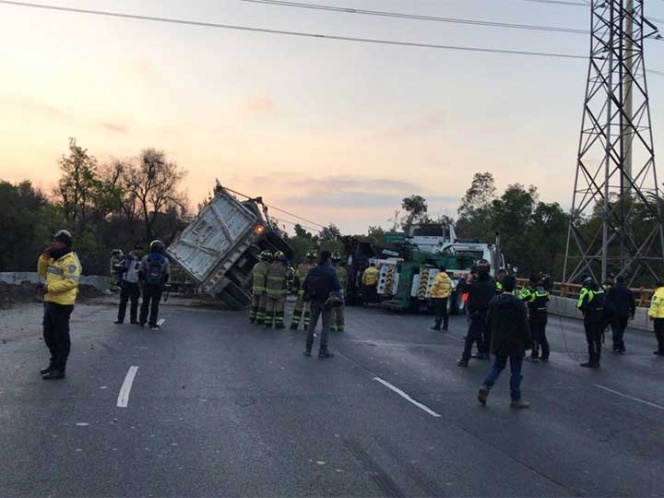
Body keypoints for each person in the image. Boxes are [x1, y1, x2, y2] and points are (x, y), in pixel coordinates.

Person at [477, 275, 531, 409]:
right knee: (516, 370)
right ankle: (515, 398)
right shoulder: (517, 303)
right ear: (514, 286)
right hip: (516, 340)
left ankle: (486, 385)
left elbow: (488, 322)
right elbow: (524, 325)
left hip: (499, 339)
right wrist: (528, 342)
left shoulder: (494, 301)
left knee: (497, 366)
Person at [37, 229, 82, 380]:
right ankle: (53, 362)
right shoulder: (53, 258)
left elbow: (71, 282)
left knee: (60, 336)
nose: (53, 244)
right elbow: (41, 272)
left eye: (56, 241)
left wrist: (49, 288)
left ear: (64, 244)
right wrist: (44, 257)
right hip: (50, 300)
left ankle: (60, 368)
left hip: (62, 303)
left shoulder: (70, 261)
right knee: (48, 334)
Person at [302, 250, 340, 359]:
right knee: (325, 326)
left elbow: (304, 285)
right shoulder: (331, 271)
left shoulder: (313, 270)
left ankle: (308, 349)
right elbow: (337, 286)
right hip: (327, 302)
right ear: (328, 258)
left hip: (314, 300)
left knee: (311, 325)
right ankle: (323, 351)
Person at [458, 260, 496, 366]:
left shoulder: (475, 285)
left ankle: (465, 359)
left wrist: (463, 278)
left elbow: (464, 288)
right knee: (487, 334)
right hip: (489, 313)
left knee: (470, 337)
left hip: (477, 313)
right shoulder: (492, 283)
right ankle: (484, 352)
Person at [138, 239, 170, 330]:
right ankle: (152, 322)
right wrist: (163, 283)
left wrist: (141, 281)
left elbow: (140, 271)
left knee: (145, 303)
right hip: (158, 285)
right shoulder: (165, 260)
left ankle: (142, 320)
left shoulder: (146, 258)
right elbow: (167, 273)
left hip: (147, 284)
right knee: (155, 304)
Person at [519, 273, 550, 362]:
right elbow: (547, 298)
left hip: (534, 314)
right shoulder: (544, 290)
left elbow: (520, 298)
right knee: (542, 334)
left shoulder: (531, 290)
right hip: (544, 313)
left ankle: (535, 354)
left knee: (534, 335)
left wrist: (524, 288)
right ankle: (545, 354)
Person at [577, 277, 605, 368]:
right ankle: (597, 359)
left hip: (590, 317)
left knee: (591, 339)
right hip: (601, 316)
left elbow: (580, 305)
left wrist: (586, 310)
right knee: (597, 339)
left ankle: (592, 360)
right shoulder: (600, 288)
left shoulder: (586, 290)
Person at [605, 275, 636, 353]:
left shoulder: (612, 290)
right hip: (625, 313)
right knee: (621, 330)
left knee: (616, 330)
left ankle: (618, 345)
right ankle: (618, 345)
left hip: (614, 313)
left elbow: (607, 301)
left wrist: (607, 312)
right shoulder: (628, 291)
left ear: (616, 281)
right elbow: (632, 303)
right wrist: (632, 313)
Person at [115, 244, 143, 325]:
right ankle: (120, 319)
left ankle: (133, 319)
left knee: (134, 302)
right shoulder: (126, 258)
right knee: (123, 302)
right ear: (133, 250)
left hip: (135, 283)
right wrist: (122, 268)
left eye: (140, 250)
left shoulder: (141, 259)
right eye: (137, 250)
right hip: (126, 281)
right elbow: (117, 266)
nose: (138, 251)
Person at [290, 250, 316, 330]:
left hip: (301, 292)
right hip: (311, 293)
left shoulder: (300, 267)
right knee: (309, 309)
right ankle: (307, 326)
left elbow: (296, 279)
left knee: (298, 308)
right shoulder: (316, 267)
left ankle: (294, 324)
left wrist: (294, 290)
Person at [264, 251, 288, 329]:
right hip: (279, 293)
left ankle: (268, 323)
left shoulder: (269, 266)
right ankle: (278, 324)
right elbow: (288, 276)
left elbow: (265, 276)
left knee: (269, 308)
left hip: (269, 292)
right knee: (279, 309)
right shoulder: (284, 268)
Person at [249, 250, 271, 324]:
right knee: (262, 305)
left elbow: (252, 277)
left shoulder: (256, 265)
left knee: (254, 303)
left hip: (255, 288)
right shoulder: (267, 267)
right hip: (263, 289)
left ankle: (252, 317)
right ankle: (260, 319)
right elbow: (268, 278)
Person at [429, 267, 453, 331]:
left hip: (438, 296)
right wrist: (448, 294)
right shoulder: (448, 278)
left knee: (438, 312)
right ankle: (445, 326)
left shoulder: (438, 277)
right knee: (445, 312)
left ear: (439, 270)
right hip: (445, 297)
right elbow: (450, 287)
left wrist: (431, 293)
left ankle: (437, 326)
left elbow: (435, 286)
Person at [331, 251, 348, 332]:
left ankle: (332, 326)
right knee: (340, 309)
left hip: (331, 291)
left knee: (331, 309)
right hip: (340, 292)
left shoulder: (330, 269)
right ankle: (341, 326)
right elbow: (345, 282)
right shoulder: (343, 270)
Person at [647, 281, 664, 356]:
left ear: (656, 286)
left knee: (660, 334)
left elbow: (655, 305)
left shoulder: (657, 294)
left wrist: (651, 315)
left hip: (659, 317)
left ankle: (661, 349)